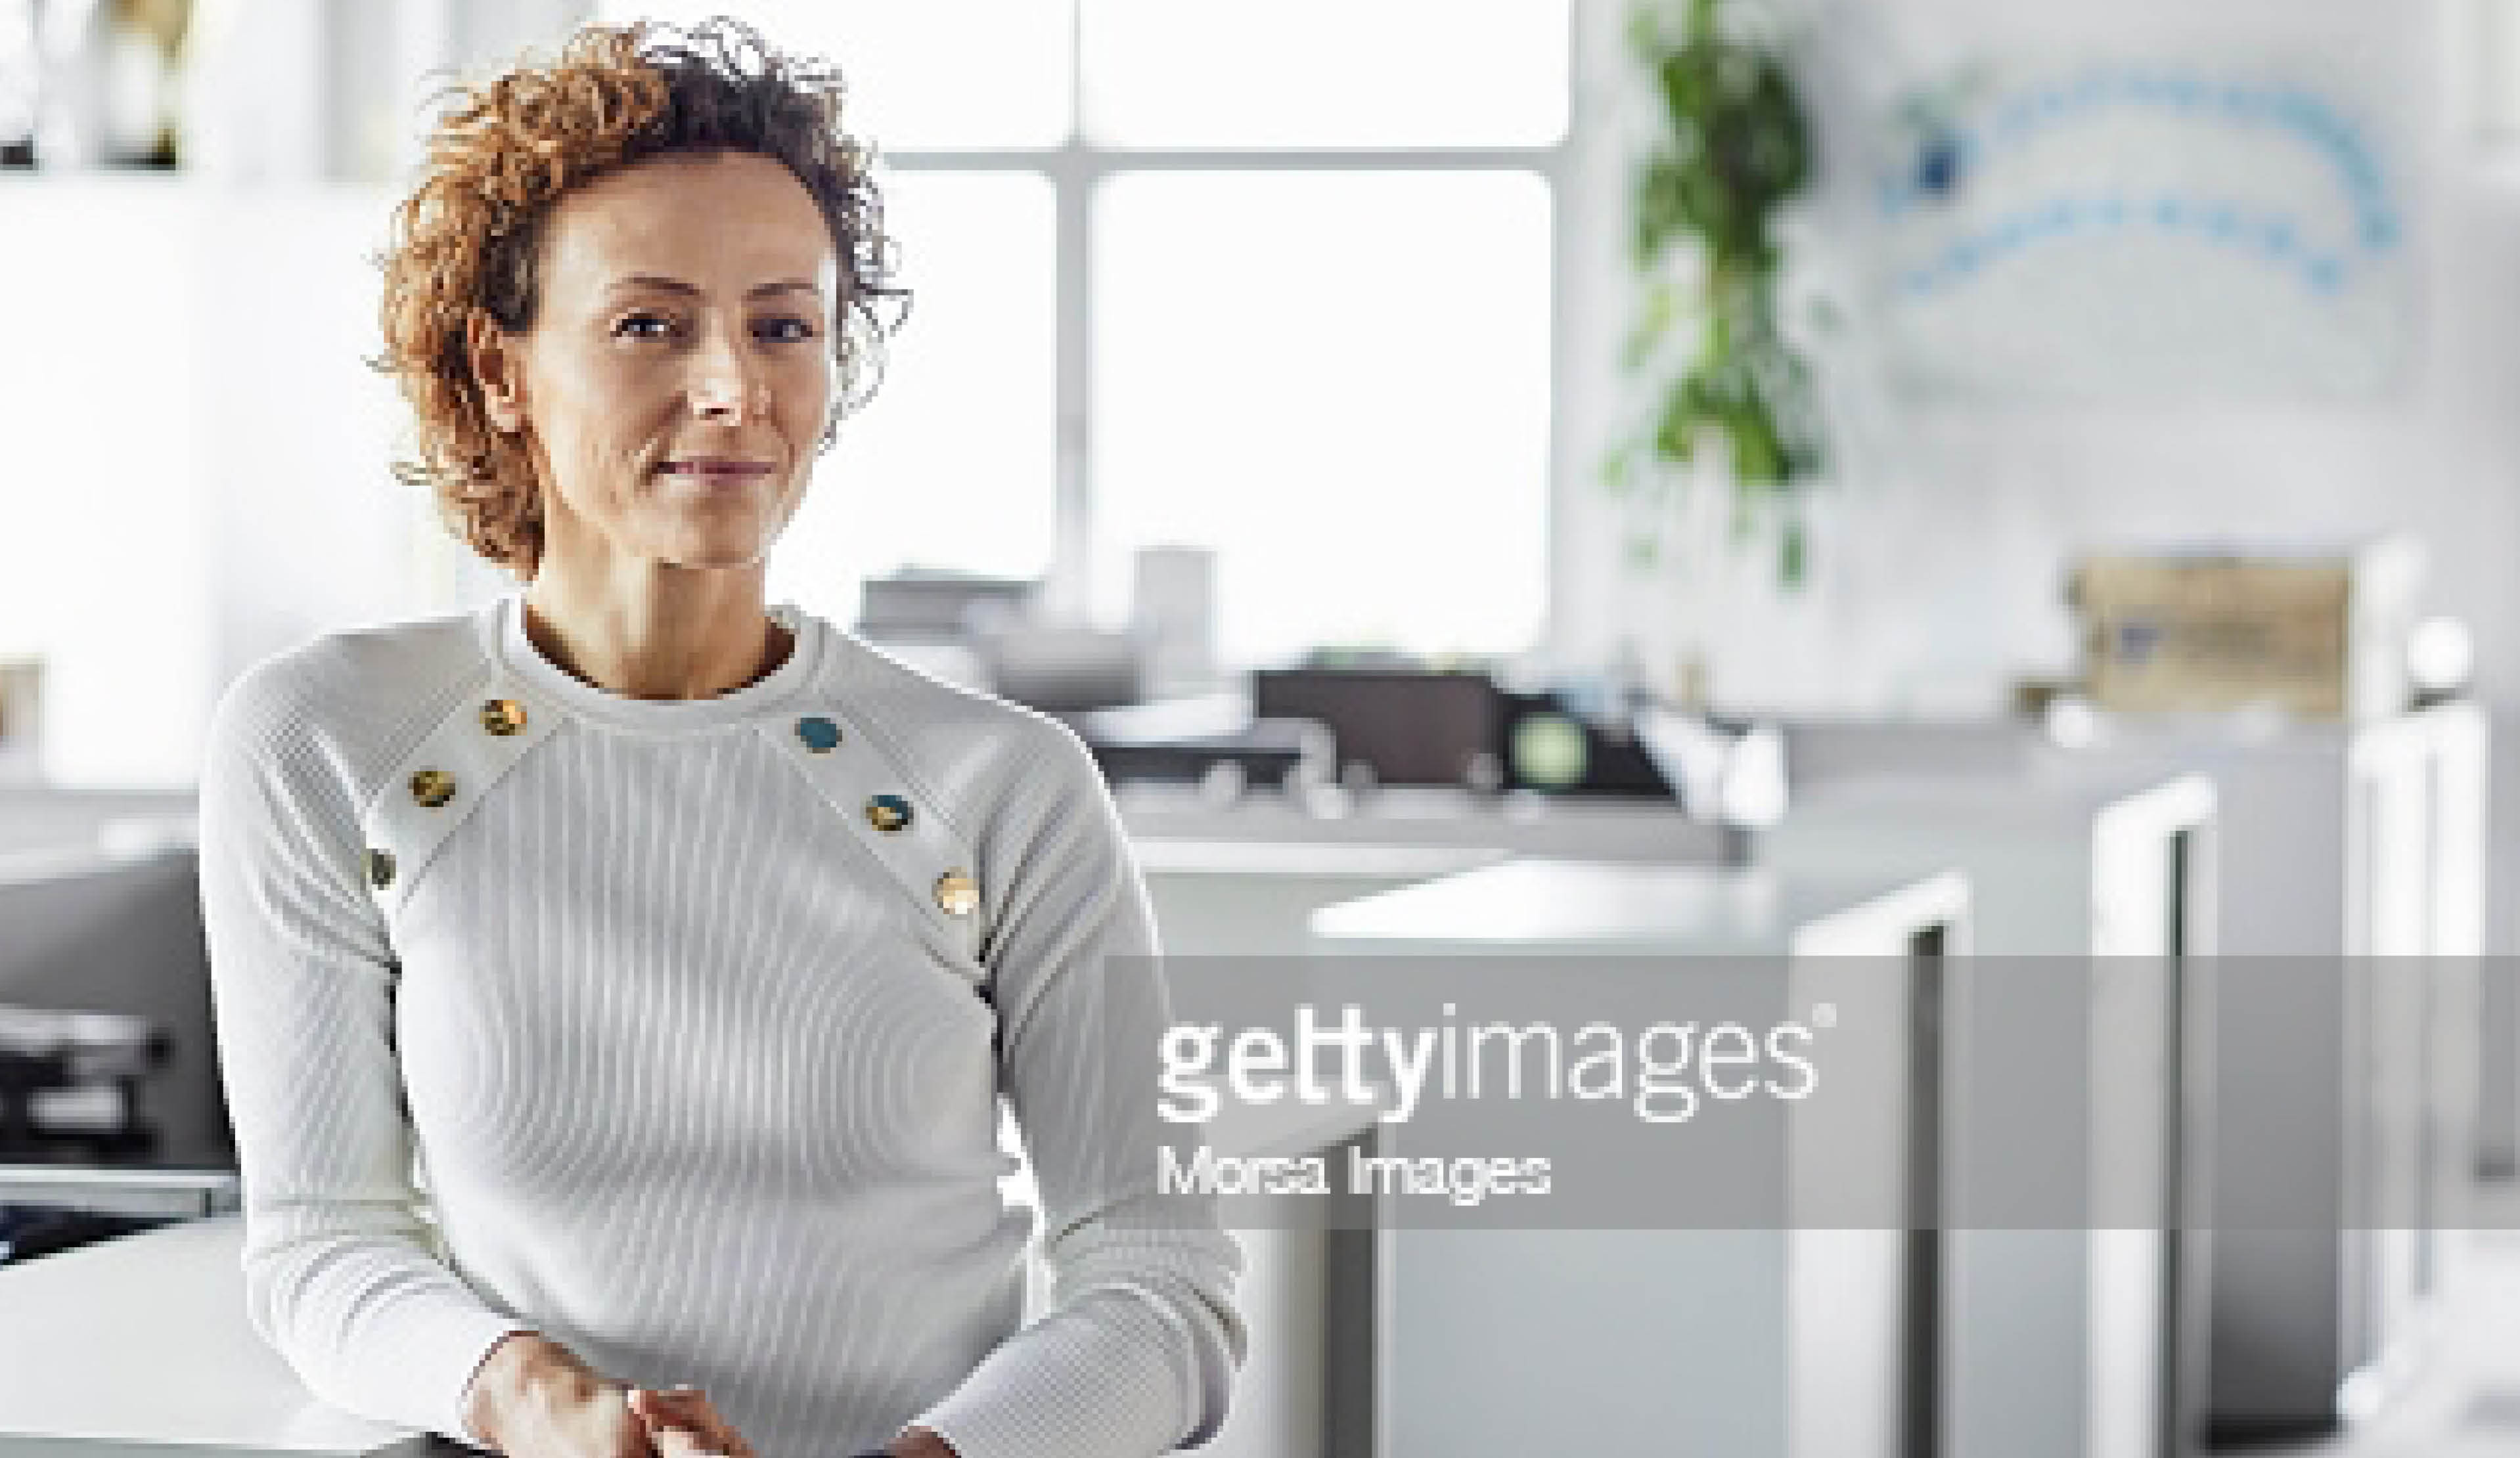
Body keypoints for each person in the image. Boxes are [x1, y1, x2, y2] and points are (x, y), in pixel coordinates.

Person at [195, 18, 1244, 1458]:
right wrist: (543, 1403)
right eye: (649, 323)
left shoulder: (1006, 786)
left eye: (782, 325)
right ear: (499, 373)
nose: (733, 390)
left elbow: (1161, 1285)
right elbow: (321, 1249)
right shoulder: (326, 744)